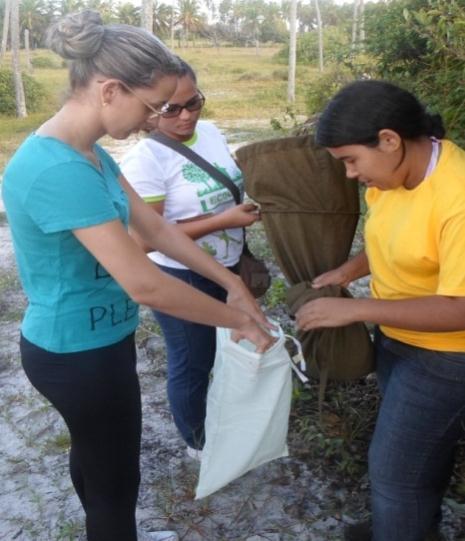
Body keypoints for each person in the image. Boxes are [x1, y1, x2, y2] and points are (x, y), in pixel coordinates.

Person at [1, 11, 273, 541]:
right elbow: (144, 282)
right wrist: (237, 321)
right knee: (116, 484)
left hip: (102, 340)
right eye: (153, 107)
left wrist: (235, 285)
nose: (155, 121)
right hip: (76, 353)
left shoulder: (89, 152)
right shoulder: (56, 168)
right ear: (110, 90)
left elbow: (156, 229)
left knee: (99, 462)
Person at [295, 80, 465, 541]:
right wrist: (348, 271)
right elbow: (392, 240)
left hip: (444, 358)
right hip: (397, 340)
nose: (350, 174)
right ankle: (412, 528)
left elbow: (460, 309)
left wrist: (355, 311)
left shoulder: (458, 197)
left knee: (393, 476)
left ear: (389, 140)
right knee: (417, 461)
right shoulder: (393, 175)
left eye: (352, 160)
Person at [120, 59, 260, 457]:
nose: (186, 116)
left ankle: (217, 418)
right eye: (171, 109)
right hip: (182, 275)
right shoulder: (145, 159)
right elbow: (146, 241)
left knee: (222, 350)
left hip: (227, 264)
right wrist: (222, 220)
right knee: (193, 360)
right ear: (150, 109)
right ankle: (197, 443)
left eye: (194, 103)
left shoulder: (211, 132)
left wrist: (237, 215)